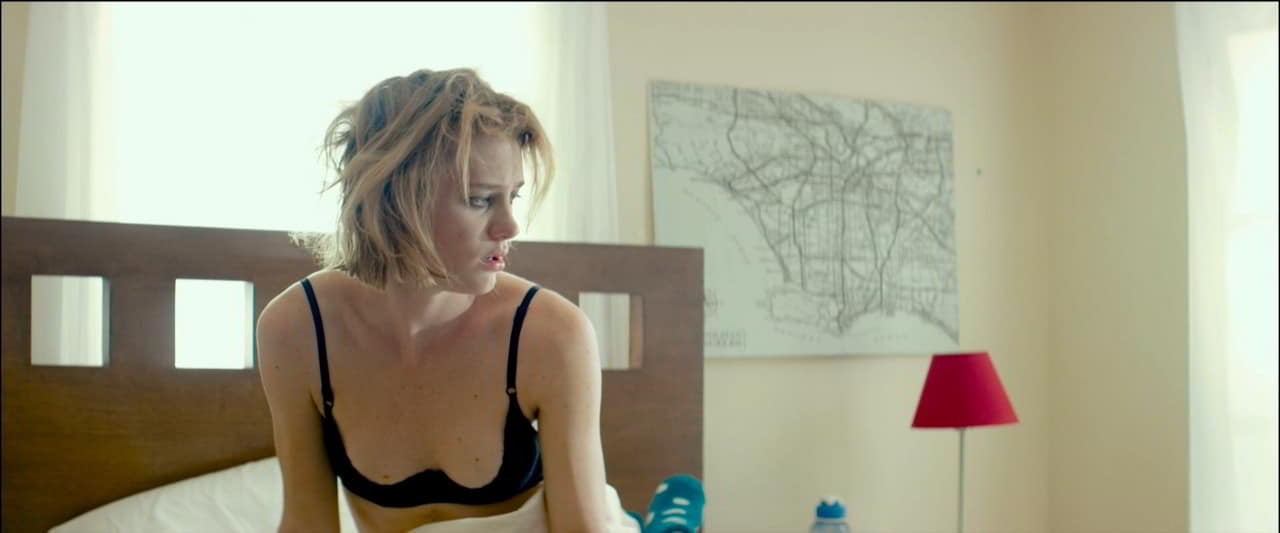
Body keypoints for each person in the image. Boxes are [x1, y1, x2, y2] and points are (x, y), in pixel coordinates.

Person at [256, 68, 637, 533]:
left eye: (513, 197)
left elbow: (582, 528)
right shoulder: (298, 329)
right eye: (479, 200)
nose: (510, 227)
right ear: (394, 199)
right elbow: (306, 521)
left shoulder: (551, 334)